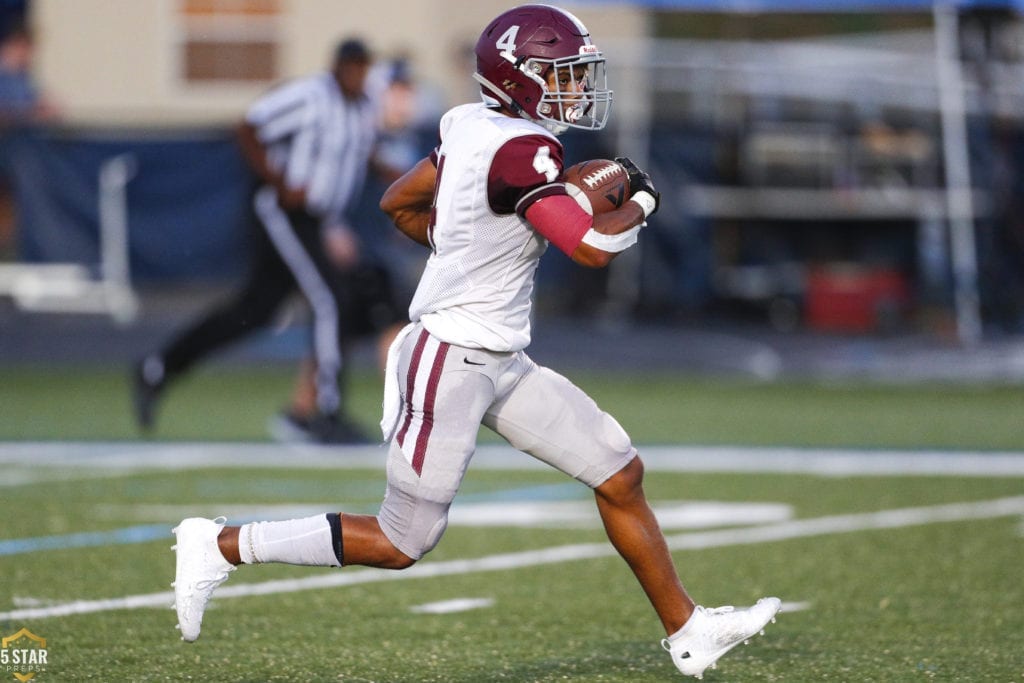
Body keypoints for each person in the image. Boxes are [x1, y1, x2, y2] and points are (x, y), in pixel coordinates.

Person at [171, 6, 780, 678]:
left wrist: (460, 246)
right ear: (521, 79)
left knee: (618, 470)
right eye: (563, 73)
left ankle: (689, 631)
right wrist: (642, 200)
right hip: (451, 358)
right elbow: (591, 245)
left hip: (499, 356)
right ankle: (220, 545)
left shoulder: (469, 124)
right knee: (404, 540)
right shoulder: (528, 150)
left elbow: (397, 202)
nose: (578, 85)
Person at [133, 37, 407, 444]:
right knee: (331, 299)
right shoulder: (309, 96)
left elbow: (353, 153)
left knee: (255, 310)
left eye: (362, 68)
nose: (357, 76)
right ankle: (325, 411)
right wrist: (278, 181)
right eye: (351, 67)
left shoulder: (363, 106)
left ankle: (157, 367)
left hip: (317, 219)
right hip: (282, 211)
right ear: (336, 67)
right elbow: (248, 126)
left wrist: (397, 178)